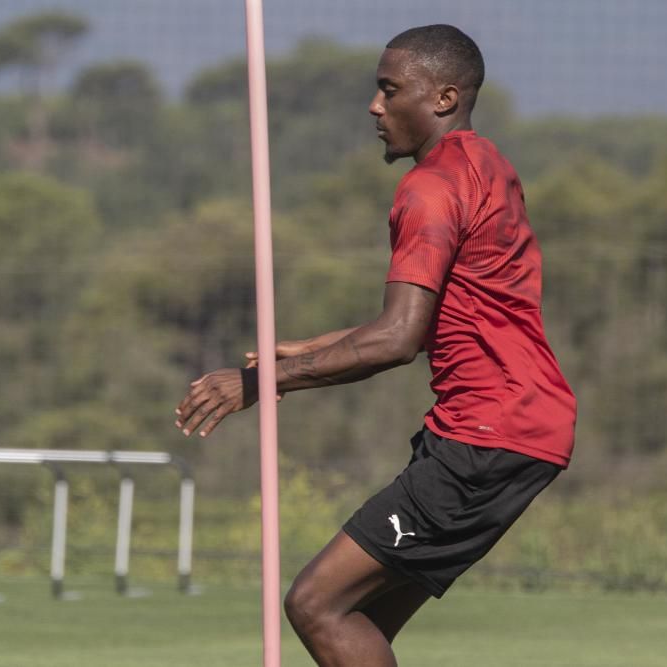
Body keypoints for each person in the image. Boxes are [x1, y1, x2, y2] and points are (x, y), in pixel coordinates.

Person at [174, 23, 576, 667]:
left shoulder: (431, 187)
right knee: (354, 623)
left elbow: (396, 340)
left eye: (390, 90)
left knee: (316, 604)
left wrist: (260, 383)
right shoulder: (487, 166)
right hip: (518, 426)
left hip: (487, 433)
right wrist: (311, 346)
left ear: (443, 98)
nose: (374, 106)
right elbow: (437, 319)